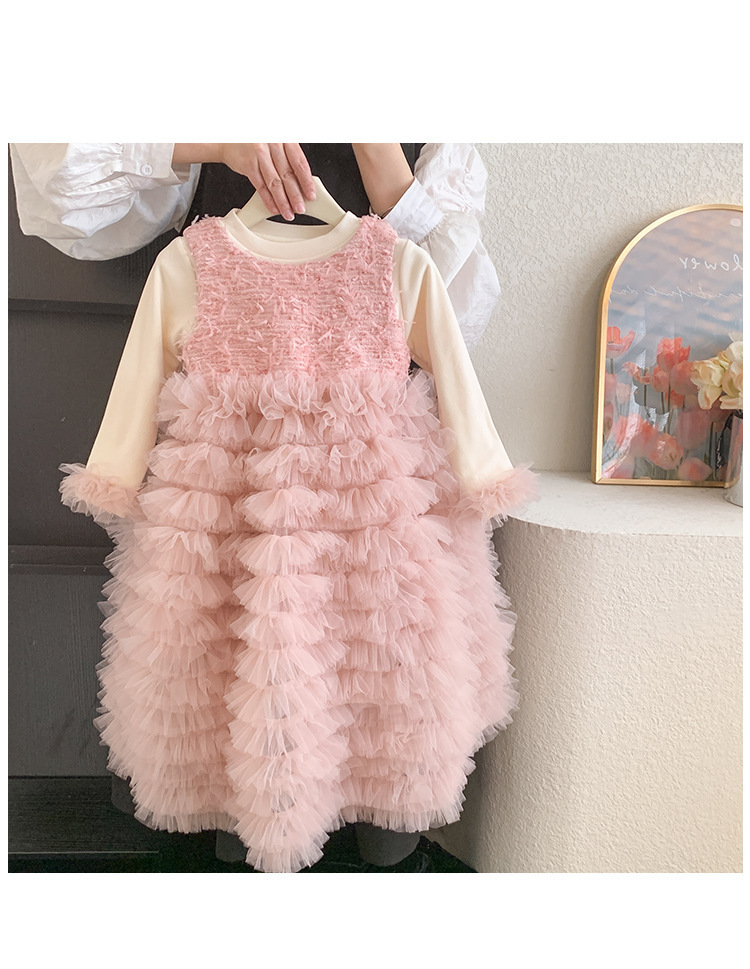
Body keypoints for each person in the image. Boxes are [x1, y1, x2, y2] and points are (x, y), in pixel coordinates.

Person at [10, 142, 509, 869]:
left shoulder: (395, 260)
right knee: (237, 663)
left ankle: (374, 836)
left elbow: (458, 350)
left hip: (370, 517)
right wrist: (115, 467)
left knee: (382, 668)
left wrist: (481, 468)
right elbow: (136, 356)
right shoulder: (195, 261)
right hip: (237, 510)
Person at [9, 143, 501, 354]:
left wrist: (375, 145)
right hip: (228, 425)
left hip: (374, 441)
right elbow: (57, 175)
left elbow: (453, 323)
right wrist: (219, 142)